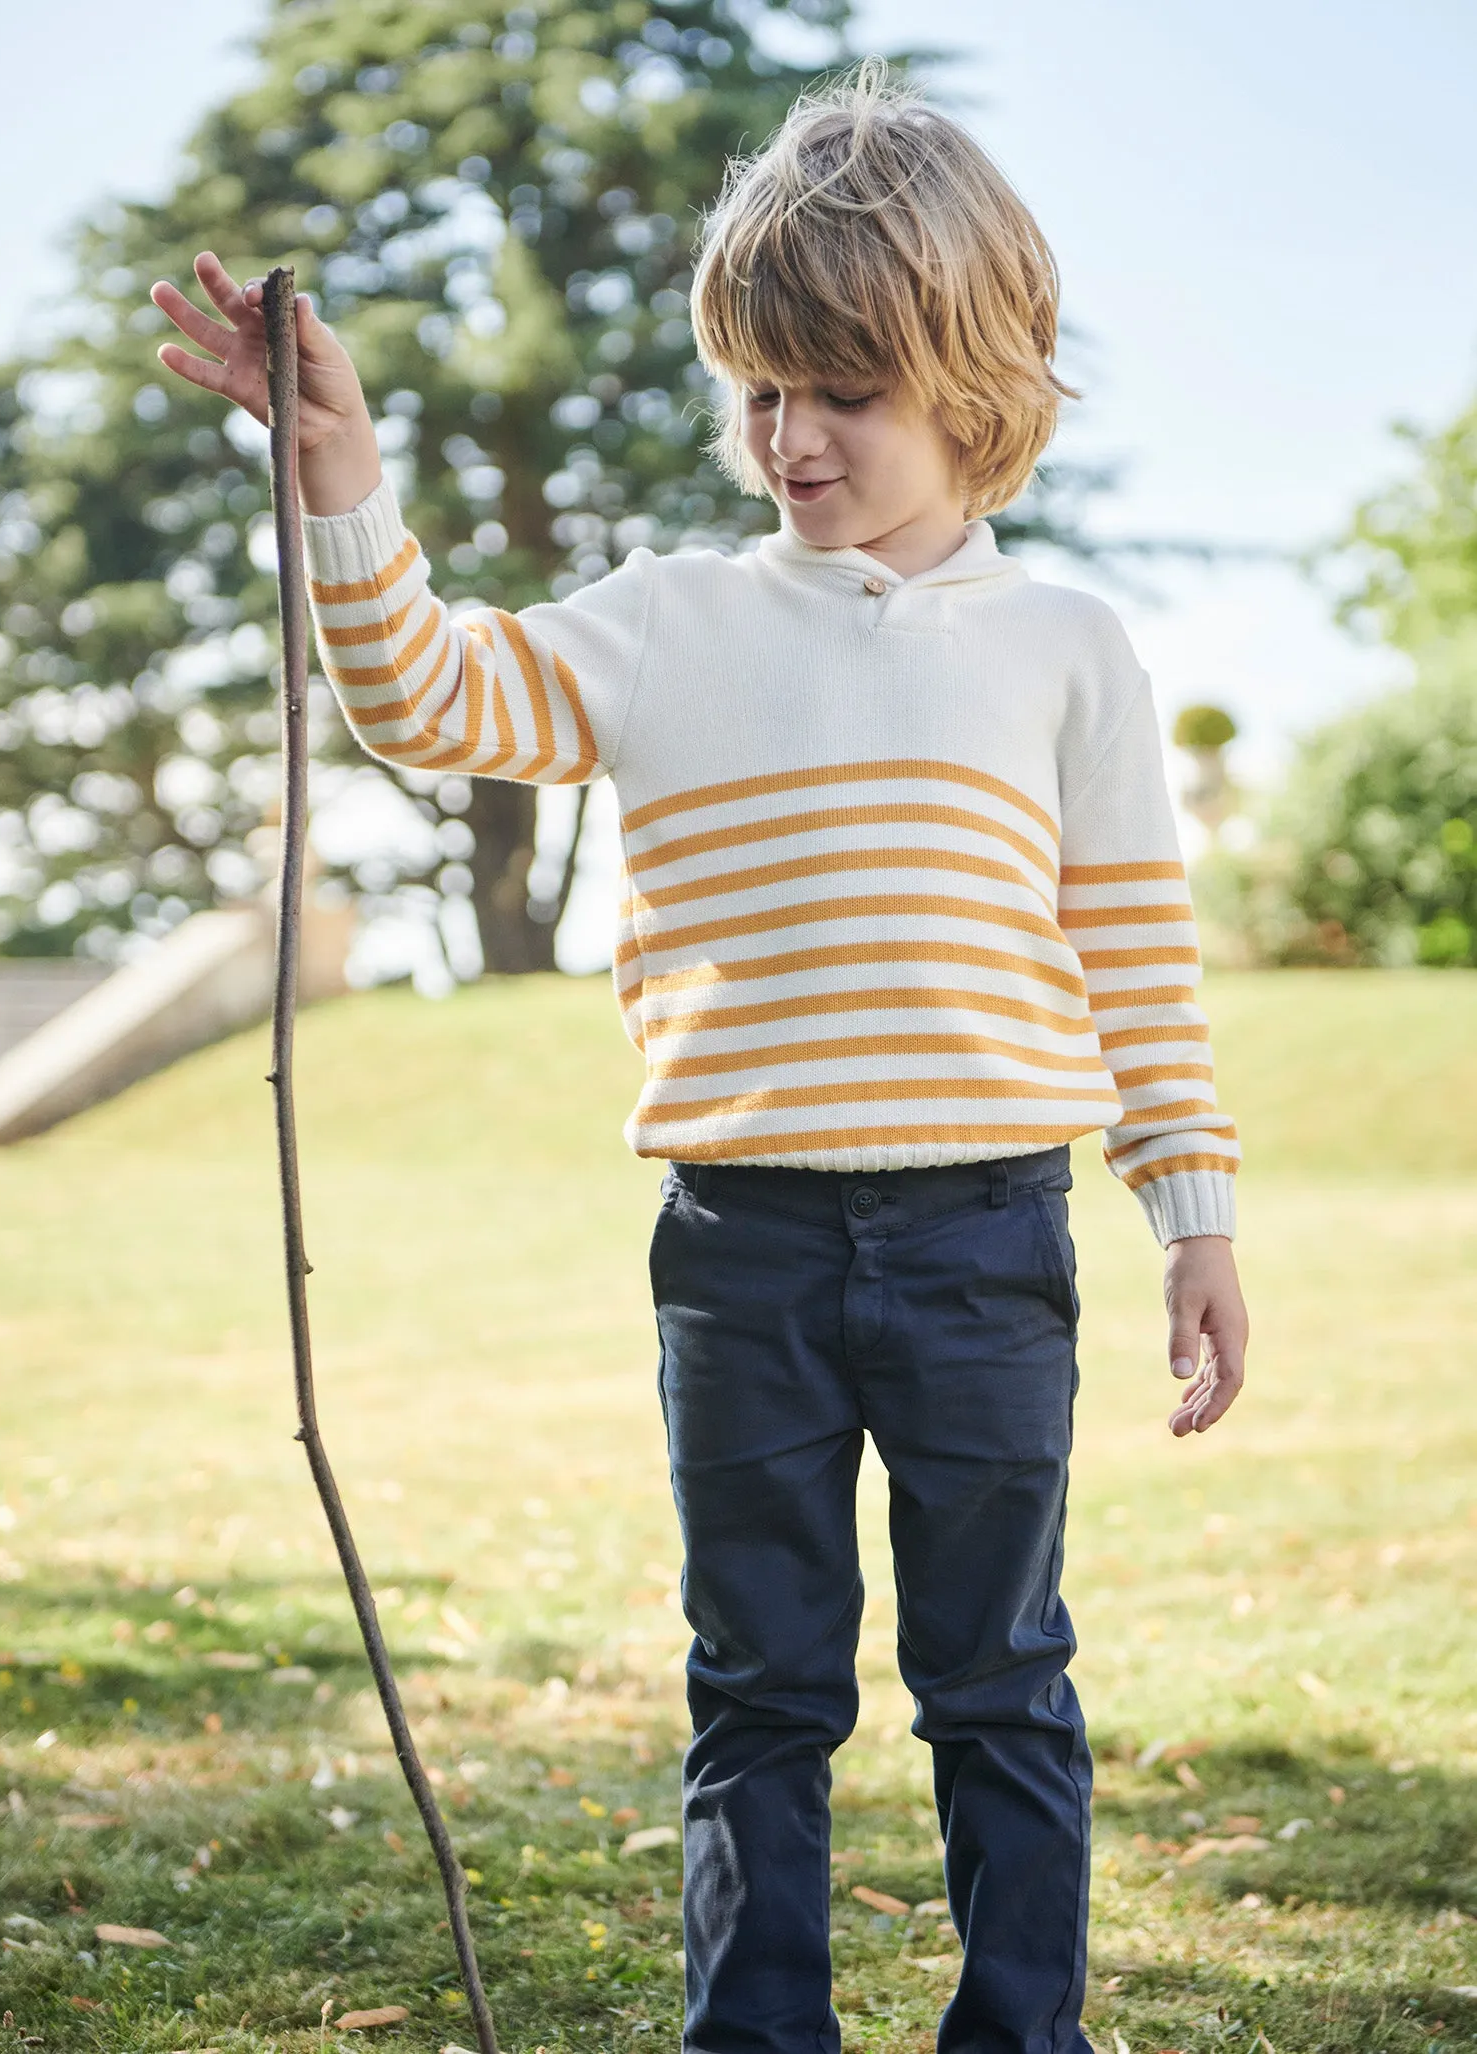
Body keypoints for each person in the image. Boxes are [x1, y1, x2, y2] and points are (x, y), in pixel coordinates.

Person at [152, 63, 1248, 2054]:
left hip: (987, 1237)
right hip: (737, 1246)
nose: (788, 434)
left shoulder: (1067, 648)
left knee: (997, 1665)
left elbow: (1137, 960)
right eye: (759, 386)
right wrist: (339, 474)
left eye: (841, 390)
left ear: (972, 378)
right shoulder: (662, 624)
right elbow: (424, 692)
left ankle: (1023, 2031)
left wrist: (1190, 1211)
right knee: (759, 1687)